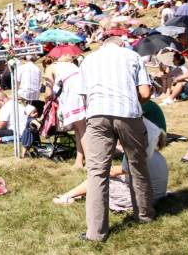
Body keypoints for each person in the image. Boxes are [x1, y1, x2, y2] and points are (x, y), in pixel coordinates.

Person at [78, 35, 154, 242]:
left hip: (96, 114)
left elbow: (84, 96)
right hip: (128, 113)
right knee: (137, 165)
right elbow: (145, 93)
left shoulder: (88, 60)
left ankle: (96, 232)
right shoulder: (133, 56)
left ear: (104, 45)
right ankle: (144, 214)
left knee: (96, 172)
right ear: (121, 44)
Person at [54, 119, 168, 209]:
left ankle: (67, 195)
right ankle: (78, 194)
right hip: (157, 197)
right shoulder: (156, 156)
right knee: (111, 178)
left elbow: (111, 172)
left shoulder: (136, 156)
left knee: (100, 179)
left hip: (142, 200)